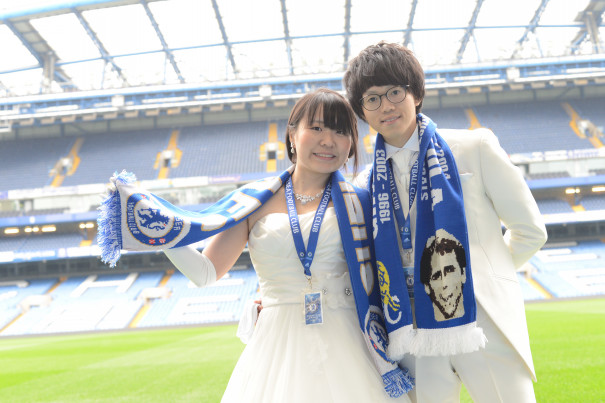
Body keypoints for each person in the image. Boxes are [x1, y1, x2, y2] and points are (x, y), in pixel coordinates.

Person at [161, 89, 413, 402]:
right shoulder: (252, 201)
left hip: (350, 340)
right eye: (317, 128)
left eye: (341, 130)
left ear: (351, 145)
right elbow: (204, 273)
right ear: (292, 134)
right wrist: (159, 232)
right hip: (274, 346)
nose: (328, 140)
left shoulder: (364, 202)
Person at [344, 42, 547, 403]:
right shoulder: (364, 183)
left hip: (481, 321)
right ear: (362, 110)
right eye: (372, 98)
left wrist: (475, 277)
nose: (386, 106)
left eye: (394, 91)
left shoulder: (474, 147)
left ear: (416, 93)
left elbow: (530, 230)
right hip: (410, 332)